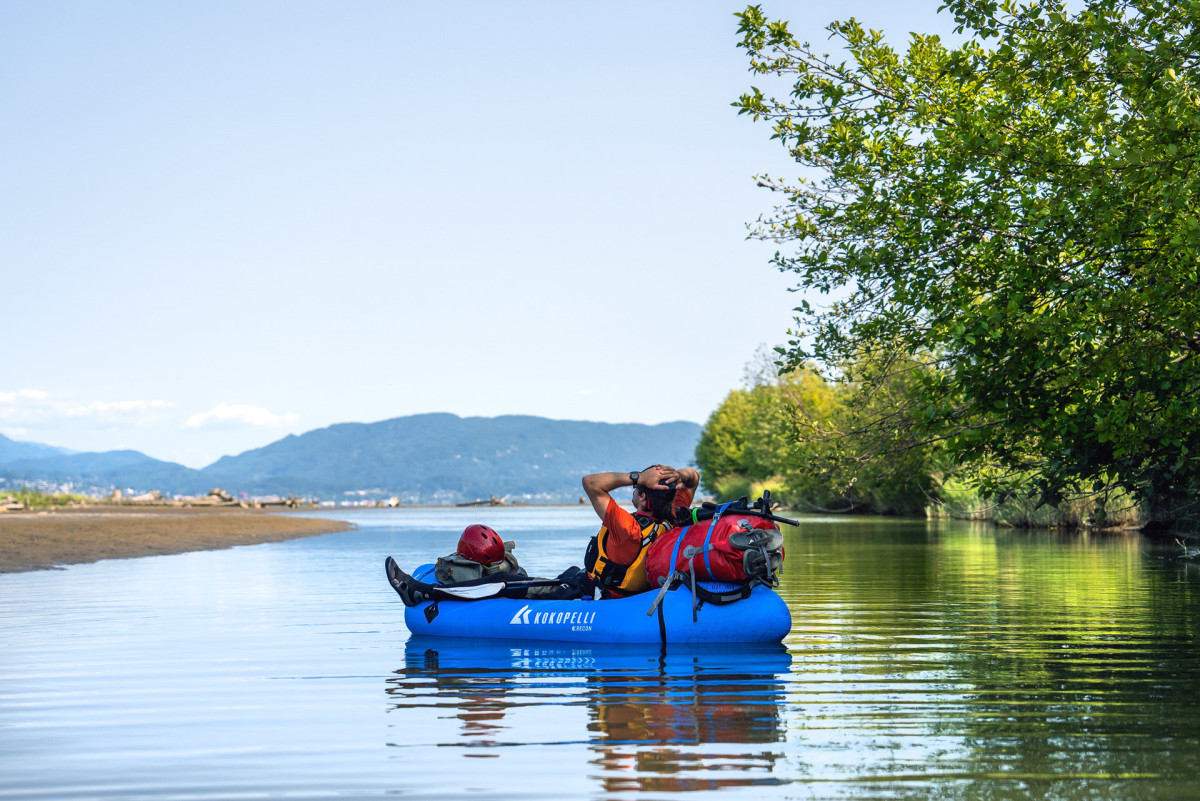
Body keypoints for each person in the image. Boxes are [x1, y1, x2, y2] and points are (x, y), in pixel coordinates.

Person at [582, 464, 699, 598]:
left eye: (636, 488)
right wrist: (675, 475)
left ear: (643, 496)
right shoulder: (674, 517)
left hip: (608, 598)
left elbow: (590, 482)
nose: (634, 491)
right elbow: (694, 478)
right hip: (642, 597)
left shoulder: (628, 528)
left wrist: (640, 478)